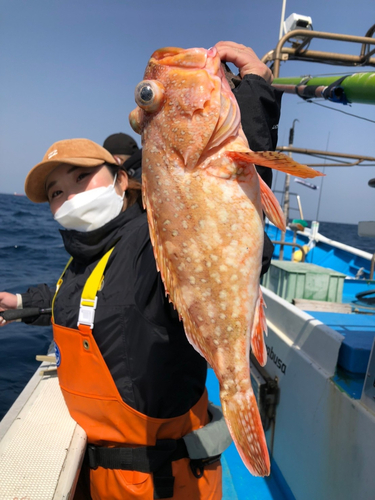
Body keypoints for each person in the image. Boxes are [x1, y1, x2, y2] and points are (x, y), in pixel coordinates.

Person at [0, 42, 282, 499]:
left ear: (121, 179)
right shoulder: (85, 262)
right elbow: (83, 298)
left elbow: (219, 223)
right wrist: (20, 302)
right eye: (54, 191)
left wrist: (254, 96)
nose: (67, 196)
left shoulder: (148, 244)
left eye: (79, 178)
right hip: (102, 480)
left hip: (164, 485)